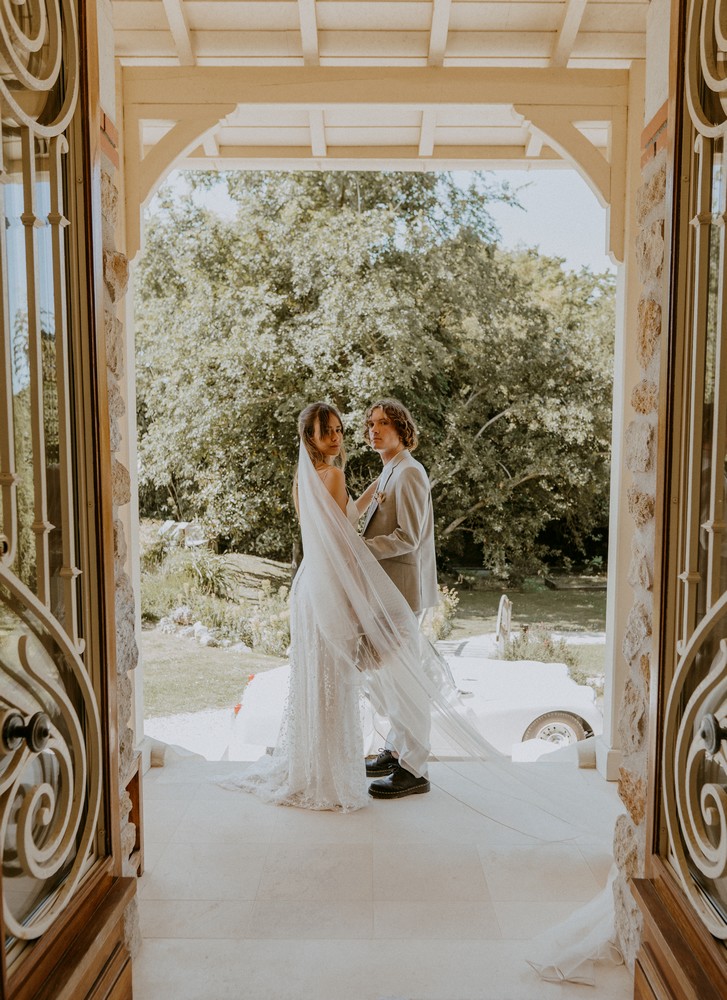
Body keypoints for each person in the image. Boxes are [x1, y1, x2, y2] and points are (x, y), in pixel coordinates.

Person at [360, 399, 439, 798]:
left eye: (384, 424)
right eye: (371, 423)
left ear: (402, 429)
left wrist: (361, 549)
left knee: (406, 679)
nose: (375, 430)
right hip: (388, 589)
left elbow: (409, 536)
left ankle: (416, 769)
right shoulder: (389, 469)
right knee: (390, 675)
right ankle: (394, 751)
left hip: (403, 591)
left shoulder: (409, 473)